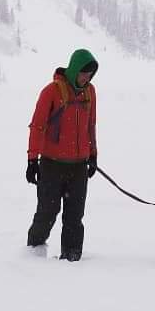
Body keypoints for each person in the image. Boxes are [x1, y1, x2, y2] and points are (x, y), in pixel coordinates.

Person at [25, 48, 99, 261]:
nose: (87, 77)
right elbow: (37, 126)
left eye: (90, 74)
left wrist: (93, 154)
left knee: (75, 216)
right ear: (75, 69)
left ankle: (72, 257)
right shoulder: (51, 91)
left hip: (79, 166)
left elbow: (90, 125)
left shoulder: (90, 92)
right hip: (52, 165)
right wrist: (32, 160)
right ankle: (33, 252)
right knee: (47, 213)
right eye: (84, 72)